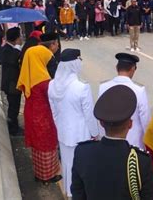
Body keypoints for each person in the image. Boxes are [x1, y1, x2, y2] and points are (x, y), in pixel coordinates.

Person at [71, 85, 153, 199]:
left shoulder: (82, 152)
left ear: (101, 123)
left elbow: (78, 195)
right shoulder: (141, 161)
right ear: (130, 124)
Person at [48, 49, 99, 198]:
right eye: (79, 60)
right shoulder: (82, 87)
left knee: (67, 164)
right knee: (82, 167)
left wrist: (61, 128)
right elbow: (89, 115)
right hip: (81, 134)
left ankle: (69, 192)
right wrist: (95, 134)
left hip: (63, 133)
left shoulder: (52, 85)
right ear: (74, 64)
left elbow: (54, 113)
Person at [17, 43, 61, 184]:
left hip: (31, 113)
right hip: (43, 116)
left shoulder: (29, 74)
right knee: (46, 145)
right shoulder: (43, 80)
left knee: (37, 148)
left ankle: (39, 174)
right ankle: (47, 177)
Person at [98, 53, 150, 148]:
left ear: (117, 67)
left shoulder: (103, 87)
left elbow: (100, 115)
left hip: (109, 140)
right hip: (133, 142)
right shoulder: (139, 90)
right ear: (133, 69)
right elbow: (145, 120)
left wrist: (102, 136)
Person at [0, 27, 23, 135]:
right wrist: (18, 48)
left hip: (12, 83)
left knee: (15, 105)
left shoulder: (10, 49)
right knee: (13, 107)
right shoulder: (7, 50)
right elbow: (13, 60)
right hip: (11, 84)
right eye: (20, 35)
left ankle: (15, 126)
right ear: (16, 38)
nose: (22, 37)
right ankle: (13, 129)